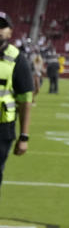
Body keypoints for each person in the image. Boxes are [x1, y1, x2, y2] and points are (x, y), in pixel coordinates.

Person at [0, 11, 34, 197]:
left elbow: (25, 101)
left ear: (10, 32)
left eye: (2, 26)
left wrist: (24, 136)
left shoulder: (17, 59)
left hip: (2, 127)